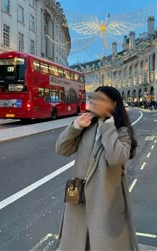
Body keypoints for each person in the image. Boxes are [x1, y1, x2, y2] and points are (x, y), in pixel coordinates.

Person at [55, 86, 139, 251]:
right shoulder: (87, 126)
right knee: (78, 242)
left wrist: (108, 127)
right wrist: (75, 126)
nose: (93, 101)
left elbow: (117, 159)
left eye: (100, 98)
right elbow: (61, 149)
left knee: (103, 243)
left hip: (105, 200)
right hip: (79, 199)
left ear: (113, 105)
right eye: (93, 98)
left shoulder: (121, 131)